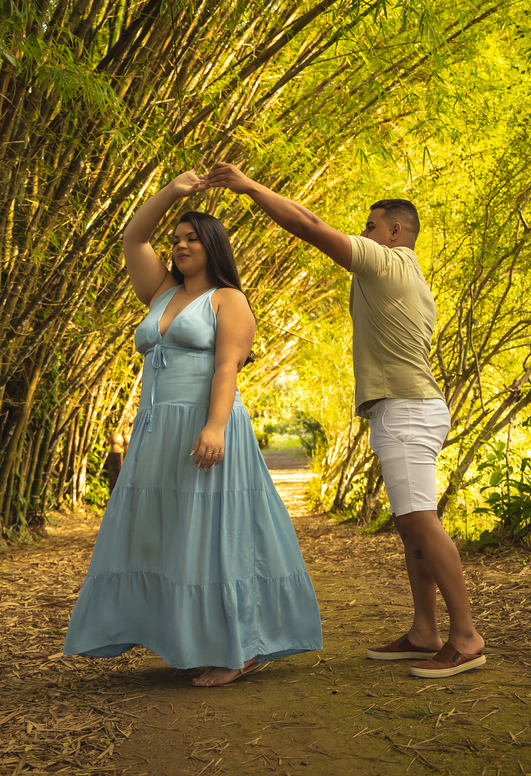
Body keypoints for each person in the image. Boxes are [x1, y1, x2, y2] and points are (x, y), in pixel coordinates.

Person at [206, 163, 485, 679]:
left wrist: (249, 187)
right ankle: (425, 631)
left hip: (406, 408)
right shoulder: (404, 278)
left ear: (395, 233)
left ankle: (465, 637)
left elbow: (310, 226)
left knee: (420, 519)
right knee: (411, 527)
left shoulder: (391, 264)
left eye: (371, 226)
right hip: (404, 408)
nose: (364, 234)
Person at [63, 171, 323, 687]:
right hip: (157, 429)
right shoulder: (161, 291)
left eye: (191, 238)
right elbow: (132, 237)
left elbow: (226, 367)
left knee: (216, 535)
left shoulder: (229, 299)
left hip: (207, 423)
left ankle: (236, 648)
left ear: (213, 247)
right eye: (176, 239)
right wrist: (173, 193)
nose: (180, 245)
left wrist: (215, 427)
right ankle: (185, 638)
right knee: (171, 534)